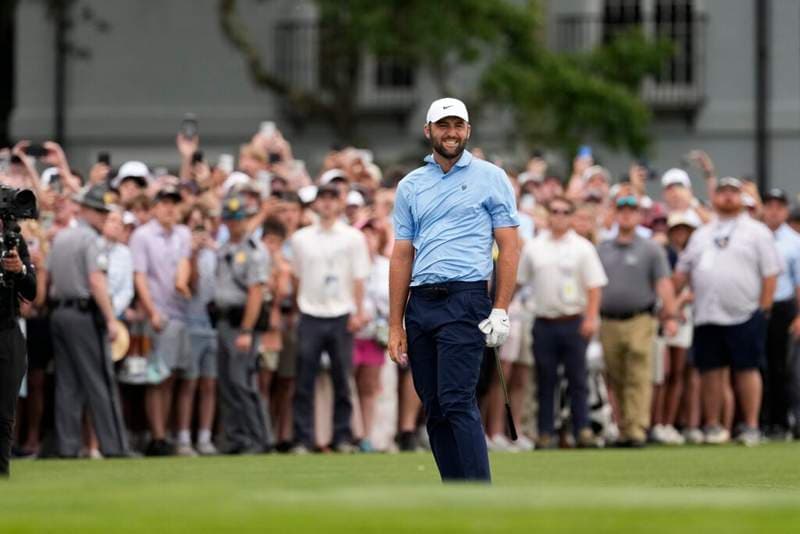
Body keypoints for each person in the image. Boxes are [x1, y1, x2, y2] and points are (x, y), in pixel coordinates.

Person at [388, 98, 519, 481]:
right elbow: (401, 255)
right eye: (443, 126)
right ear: (428, 131)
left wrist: (500, 308)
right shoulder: (411, 185)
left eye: (458, 126)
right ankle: (455, 493)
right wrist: (395, 324)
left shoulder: (491, 177)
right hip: (421, 302)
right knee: (434, 404)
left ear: (468, 131)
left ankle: (479, 494)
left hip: (466, 298)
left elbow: (509, 246)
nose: (451, 133)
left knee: (457, 399)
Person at [674, 177, 781, 446]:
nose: (728, 197)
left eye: (733, 192)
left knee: (747, 369)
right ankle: (713, 425)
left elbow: (770, 273)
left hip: (745, 311)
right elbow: (682, 272)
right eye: (722, 192)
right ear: (714, 198)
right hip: (708, 312)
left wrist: (764, 307)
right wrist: (670, 302)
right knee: (710, 370)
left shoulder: (757, 232)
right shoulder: (701, 234)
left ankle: (751, 425)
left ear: (742, 198)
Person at [517, 196, 608, 449]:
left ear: (570, 215)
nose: (559, 216)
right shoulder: (534, 247)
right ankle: (545, 431)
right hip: (544, 321)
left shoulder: (582, 247)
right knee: (545, 380)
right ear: (548, 215)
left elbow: (594, 286)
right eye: (554, 211)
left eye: (564, 211)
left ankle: (583, 429)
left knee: (578, 379)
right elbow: (520, 280)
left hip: (573, 320)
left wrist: (591, 317)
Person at [47, 184, 129, 458]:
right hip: (83, 314)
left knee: (67, 384)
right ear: (85, 210)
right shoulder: (90, 239)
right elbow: (96, 280)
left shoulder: (60, 237)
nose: (105, 216)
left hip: (59, 312)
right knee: (100, 381)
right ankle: (114, 446)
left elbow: (48, 280)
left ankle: (67, 447)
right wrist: (111, 319)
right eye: (100, 211)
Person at [289, 183, 370, 453]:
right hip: (310, 312)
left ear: (339, 203)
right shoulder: (301, 238)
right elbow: (296, 276)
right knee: (304, 380)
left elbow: (359, 277)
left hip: (340, 313)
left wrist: (358, 312)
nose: (326, 204)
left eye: (331, 199)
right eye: (321, 199)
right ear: (315, 204)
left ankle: (342, 436)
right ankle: (303, 437)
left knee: (342, 379)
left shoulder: (352, 237)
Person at [597, 195, 679, 447]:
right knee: (616, 375)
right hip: (608, 320)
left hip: (640, 318)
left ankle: (637, 428)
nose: (626, 215)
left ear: (639, 216)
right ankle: (624, 427)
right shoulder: (603, 248)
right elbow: (593, 284)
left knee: (638, 370)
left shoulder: (651, 249)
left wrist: (671, 314)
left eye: (632, 211)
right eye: (622, 210)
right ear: (615, 213)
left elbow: (663, 283)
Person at [129, 185, 192, 456]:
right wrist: (152, 311)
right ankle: (157, 436)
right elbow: (140, 276)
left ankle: (163, 434)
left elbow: (184, 265)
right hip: (157, 314)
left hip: (180, 313)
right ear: (154, 207)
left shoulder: (183, 233)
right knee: (156, 376)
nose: (169, 208)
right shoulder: (142, 236)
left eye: (173, 203)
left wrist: (183, 282)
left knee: (171, 376)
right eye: (164, 203)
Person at [214, 194, 272, 454]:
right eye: (229, 219)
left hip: (242, 323)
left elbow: (255, 293)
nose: (233, 224)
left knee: (242, 382)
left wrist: (247, 330)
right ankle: (237, 437)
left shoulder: (254, 251)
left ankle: (259, 438)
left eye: (238, 219)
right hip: (223, 320)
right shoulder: (225, 248)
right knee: (227, 383)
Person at [0, 186, 37, 476]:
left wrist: (19, 270)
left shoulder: (14, 239)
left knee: (4, 414)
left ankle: (3, 473)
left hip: (8, 328)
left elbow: (32, 291)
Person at [759, 188, 800, 439]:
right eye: (770, 205)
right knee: (758, 366)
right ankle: (762, 422)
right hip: (757, 307)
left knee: (781, 367)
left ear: (785, 210)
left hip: (784, 307)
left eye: (779, 206)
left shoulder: (795, 241)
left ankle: (781, 422)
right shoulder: (754, 235)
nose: (774, 211)